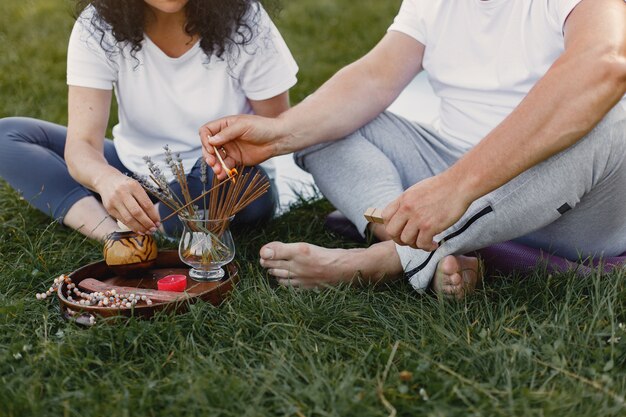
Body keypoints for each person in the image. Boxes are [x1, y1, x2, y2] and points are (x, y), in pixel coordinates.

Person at [200, 0, 626, 297]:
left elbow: (604, 64)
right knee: (324, 127)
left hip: (569, 205)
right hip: (455, 178)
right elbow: (373, 80)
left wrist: (457, 187)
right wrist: (277, 134)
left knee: (610, 115)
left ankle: (389, 258)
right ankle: (425, 239)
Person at [0, 0, 298, 241]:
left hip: (223, 177)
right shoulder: (97, 25)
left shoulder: (246, 19)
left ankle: (149, 223)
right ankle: (115, 234)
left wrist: (224, 155)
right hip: (136, 172)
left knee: (242, 184)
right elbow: (83, 146)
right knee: (8, 135)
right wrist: (107, 179)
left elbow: (277, 130)